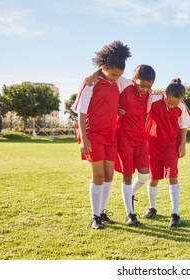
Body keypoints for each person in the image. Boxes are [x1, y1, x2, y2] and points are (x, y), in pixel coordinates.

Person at [71, 40, 131, 229]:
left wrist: (118, 110)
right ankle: (94, 217)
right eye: (113, 74)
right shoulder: (90, 83)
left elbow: (134, 83)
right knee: (98, 176)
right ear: (104, 67)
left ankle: (102, 213)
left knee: (109, 174)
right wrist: (84, 138)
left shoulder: (117, 82)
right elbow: (81, 111)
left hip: (109, 134)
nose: (116, 78)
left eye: (119, 75)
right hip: (91, 133)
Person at [86, 64, 156, 226]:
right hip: (123, 138)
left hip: (140, 138)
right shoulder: (124, 84)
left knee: (145, 175)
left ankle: (129, 194)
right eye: (142, 85)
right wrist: (94, 73)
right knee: (127, 176)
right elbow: (107, 72)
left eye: (149, 86)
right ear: (134, 80)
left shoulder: (150, 95)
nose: (145, 89)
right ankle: (130, 214)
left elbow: (168, 97)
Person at [144, 78, 190, 227]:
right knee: (153, 178)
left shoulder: (182, 107)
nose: (171, 105)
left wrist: (183, 144)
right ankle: (152, 208)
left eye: (175, 104)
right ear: (164, 93)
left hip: (171, 145)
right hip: (152, 145)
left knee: (172, 177)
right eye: (169, 102)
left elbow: (183, 125)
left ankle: (175, 213)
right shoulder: (152, 99)